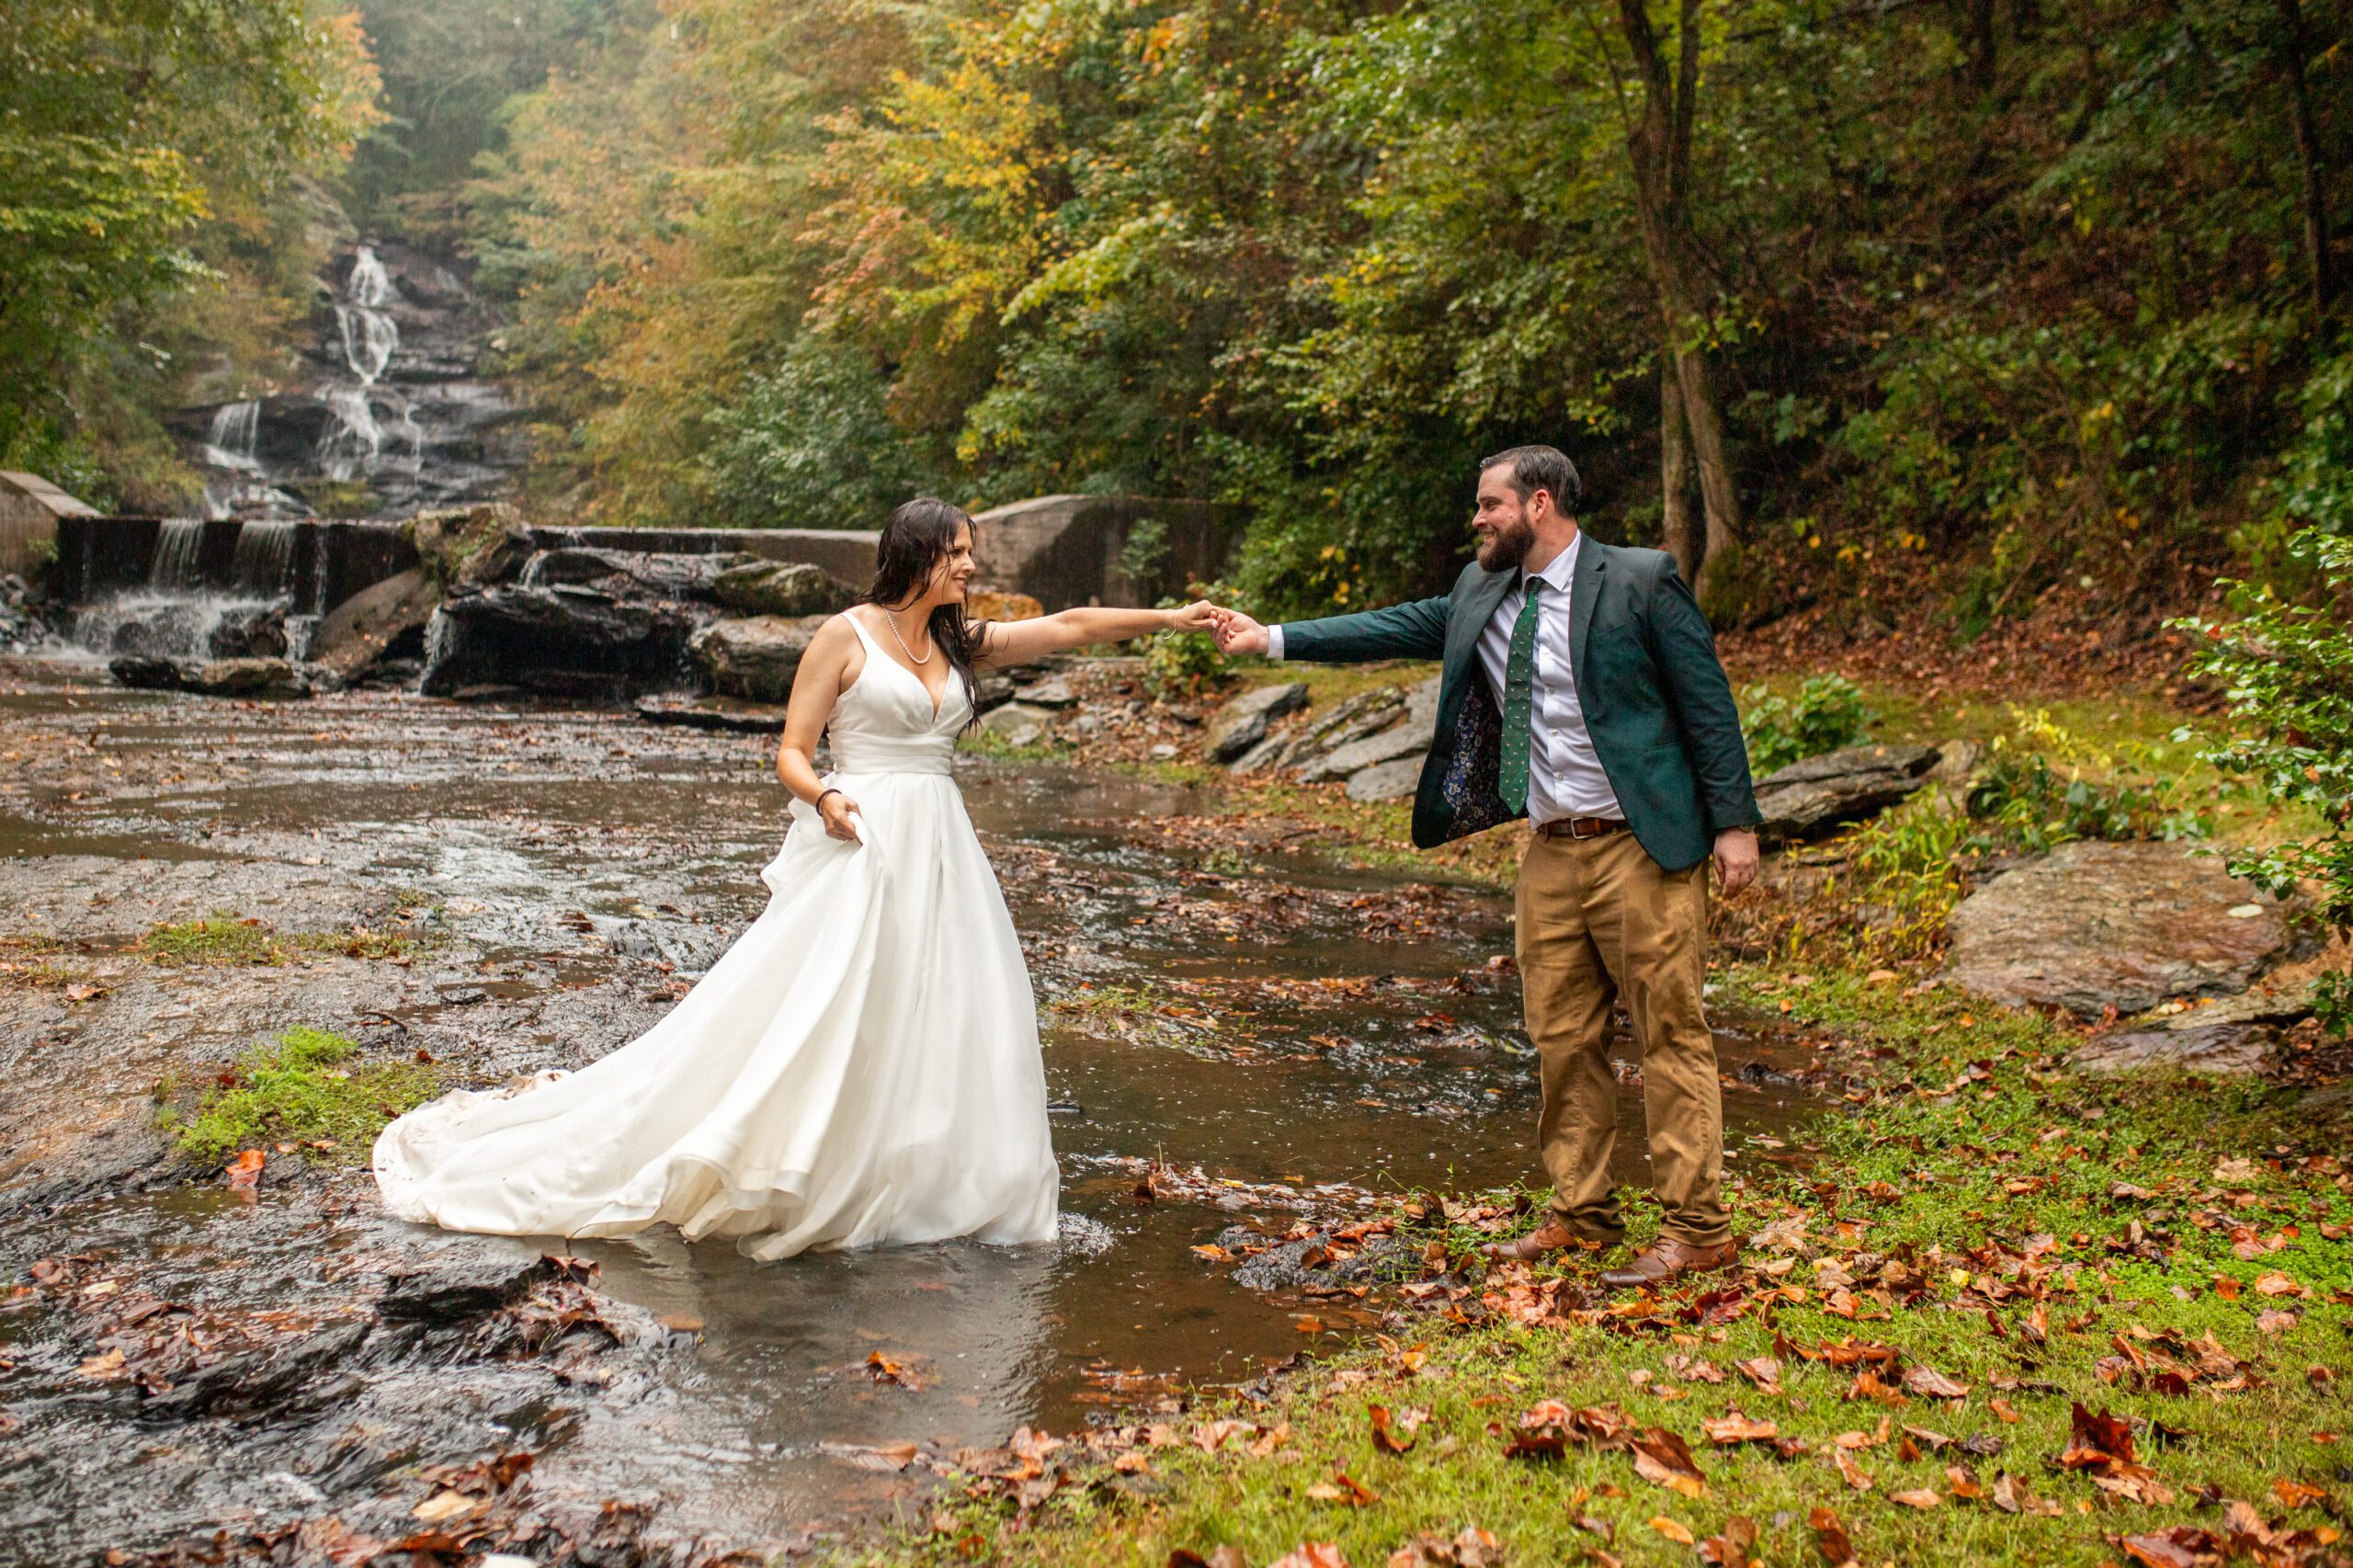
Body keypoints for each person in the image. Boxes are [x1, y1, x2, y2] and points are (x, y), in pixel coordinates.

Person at [375, 497, 1219, 1259]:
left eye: (972, 553)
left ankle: (929, 1173)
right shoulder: (843, 636)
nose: (971, 567)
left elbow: (1072, 626)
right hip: (865, 833)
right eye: (958, 553)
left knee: (949, 1007)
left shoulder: (962, 641)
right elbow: (789, 749)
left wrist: (1176, 618)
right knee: (833, 1002)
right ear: (916, 555)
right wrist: (826, 796)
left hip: (944, 845)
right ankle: (796, 1157)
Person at [1211, 447, 1761, 1289]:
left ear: (1540, 505)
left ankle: (1699, 1228)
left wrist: (1734, 825)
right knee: (1562, 1037)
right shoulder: (1481, 590)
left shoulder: (1640, 580)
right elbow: (1390, 627)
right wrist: (1272, 638)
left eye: (1489, 504)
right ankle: (1583, 1215)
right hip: (1549, 852)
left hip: (1644, 845)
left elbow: (1707, 703)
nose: (1477, 519)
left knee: (1669, 1034)